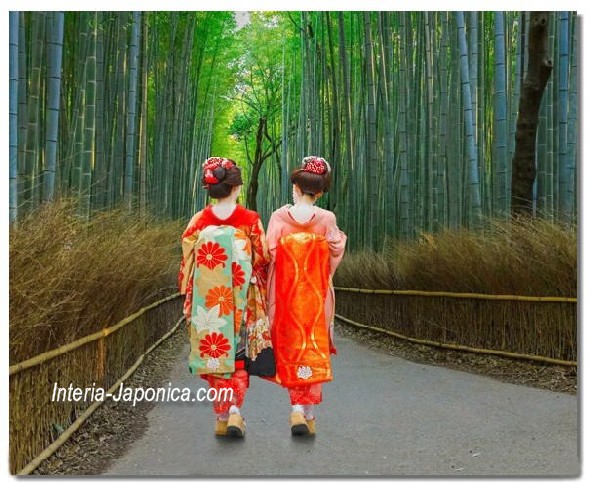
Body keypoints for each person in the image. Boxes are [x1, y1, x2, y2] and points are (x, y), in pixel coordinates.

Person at [178, 157, 274, 438]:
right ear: (236, 188)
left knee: (214, 353)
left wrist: (189, 292)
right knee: (239, 356)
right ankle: (233, 412)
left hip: (208, 301)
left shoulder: (199, 221)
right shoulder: (250, 220)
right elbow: (263, 258)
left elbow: (188, 262)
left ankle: (223, 414)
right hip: (241, 298)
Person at [266, 156, 347, 436]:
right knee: (313, 347)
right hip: (315, 296)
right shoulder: (327, 219)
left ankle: (298, 409)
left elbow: (270, 253)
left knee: (291, 348)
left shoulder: (279, 216)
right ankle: (307, 412)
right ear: (321, 192)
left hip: (286, 296)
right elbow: (335, 251)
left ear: (295, 187)